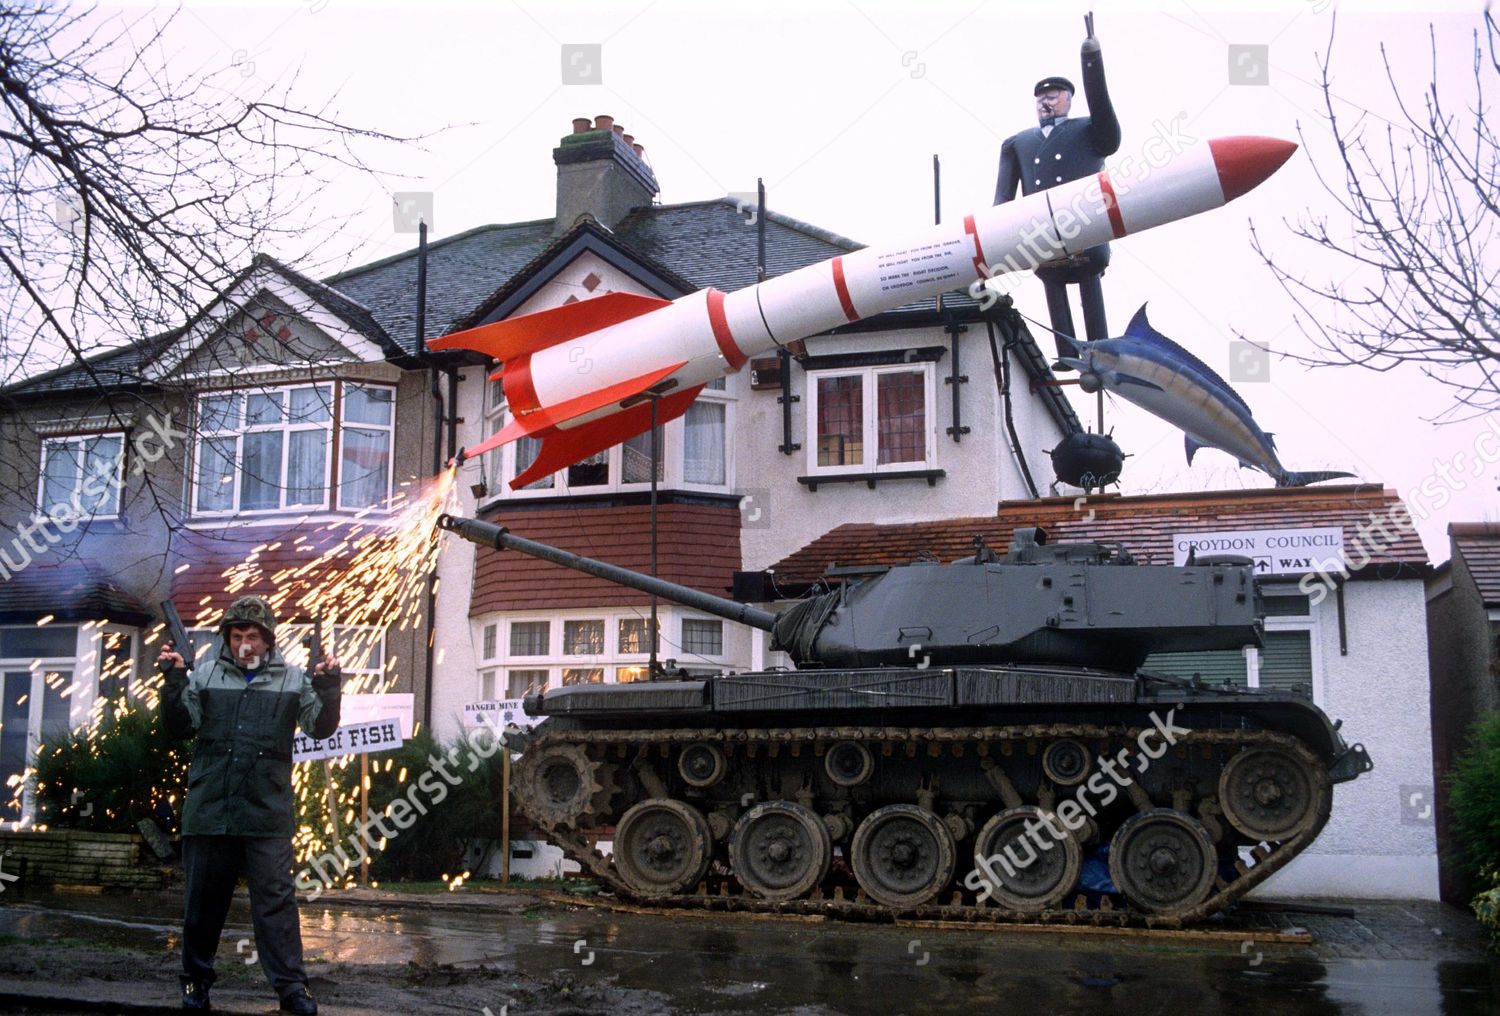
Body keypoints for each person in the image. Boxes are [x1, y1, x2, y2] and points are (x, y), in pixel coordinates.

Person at [158, 595, 341, 1014]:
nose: (246, 644)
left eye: (253, 637)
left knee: (276, 903)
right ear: (227, 638)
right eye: (238, 635)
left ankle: (293, 989)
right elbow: (178, 728)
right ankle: (195, 984)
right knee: (202, 904)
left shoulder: (293, 679)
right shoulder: (203, 675)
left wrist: (330, 689)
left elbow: (320, 729)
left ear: (268, 640)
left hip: (267, 812)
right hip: (210, 811)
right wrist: (173, 684)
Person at [994, 15, 1121, 356]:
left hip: (1084, 223)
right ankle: (1066, 352)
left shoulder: (1088, 130)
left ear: (1068, 99)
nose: (1046, 102)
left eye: (1053, 96)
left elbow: (1108, 124)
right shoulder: (1018, 142)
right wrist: (1001, 234)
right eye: (1041, 98)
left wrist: (1091, 62)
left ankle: (1100, 346)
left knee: (1089, 282)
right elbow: (1003, 200)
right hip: (1041, 232)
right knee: (1052, 283)